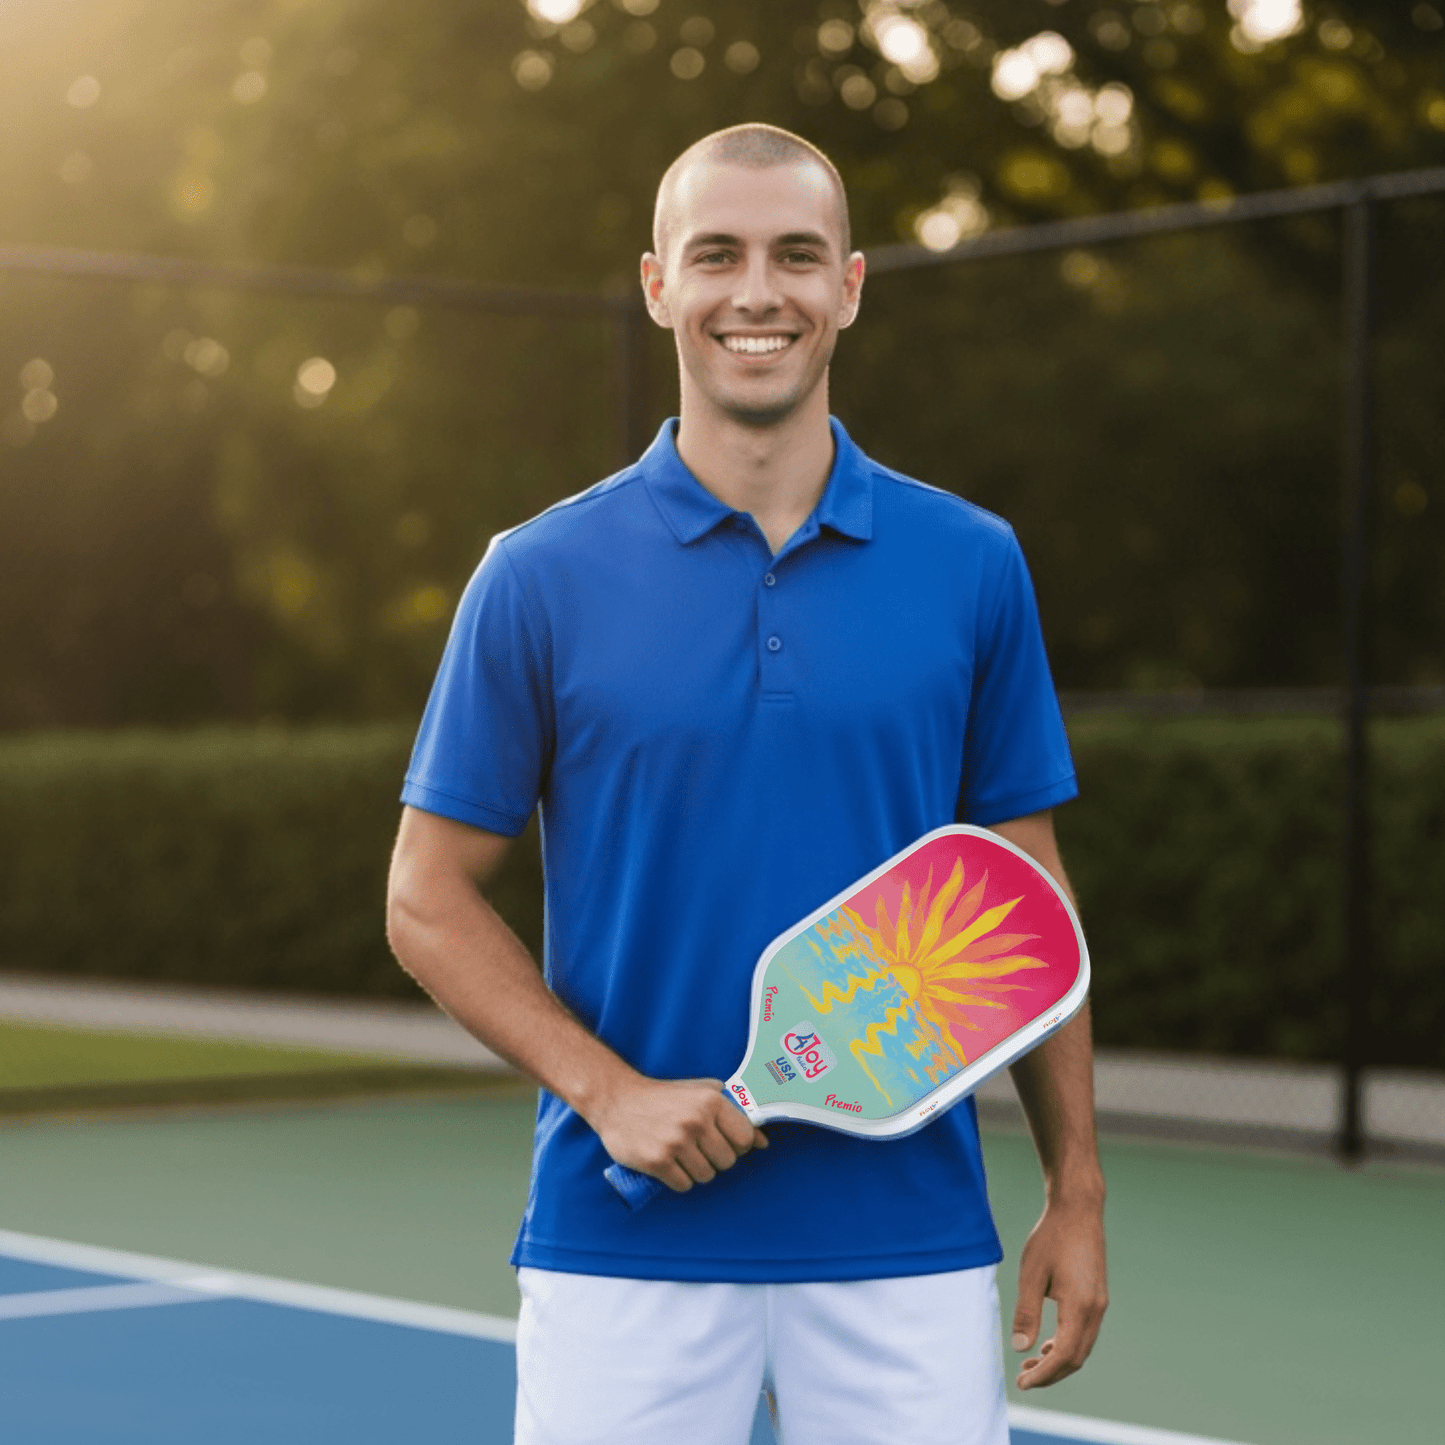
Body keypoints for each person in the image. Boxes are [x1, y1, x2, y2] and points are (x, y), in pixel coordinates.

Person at [386, 123, 1107, 1445]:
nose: (756, 291)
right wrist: (610, 1093)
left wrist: (1078, 1186)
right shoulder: (536, 575)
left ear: (851, 285)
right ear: (659, 285)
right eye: (716, 255)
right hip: (621, 1248)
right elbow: (425, 897)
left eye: (796, 255)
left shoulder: (972, 564)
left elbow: (1026, 902)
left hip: (911, 1246)